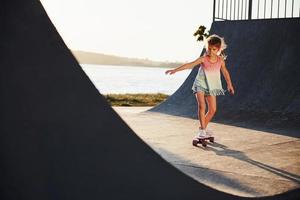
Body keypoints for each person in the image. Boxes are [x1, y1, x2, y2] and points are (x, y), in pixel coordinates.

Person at [165, 34, 235, 141]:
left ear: (218, 49)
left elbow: (225, 72)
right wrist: (175, 70)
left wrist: (229, 84)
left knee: (213, 109)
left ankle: (202, 129)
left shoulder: (220, 60)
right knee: (202, 106)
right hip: (200, 85)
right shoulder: (203, 59)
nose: (211, 51)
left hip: (211, 87)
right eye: (209, 49)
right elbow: (190, 65)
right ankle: (202, 131)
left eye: (214, 49)